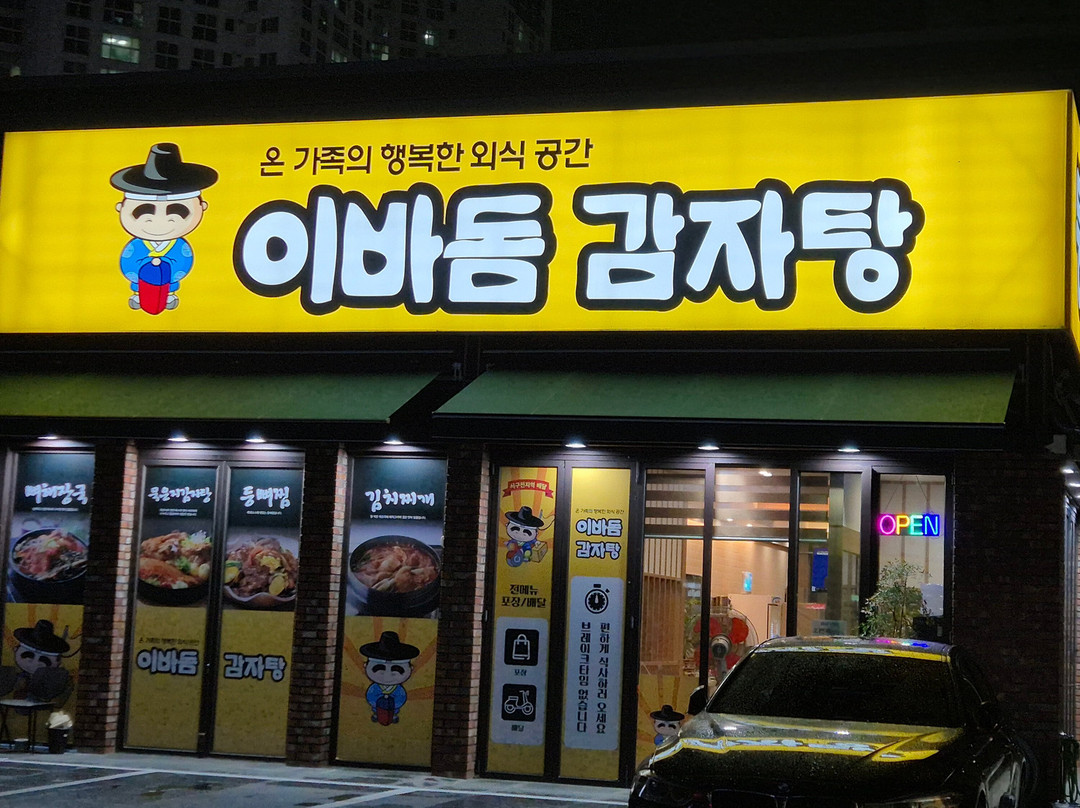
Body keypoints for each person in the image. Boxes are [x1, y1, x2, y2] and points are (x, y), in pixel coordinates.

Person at [110, 143, 218, 314]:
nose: (161, 220)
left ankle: (169, 294)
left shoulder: (180, 247)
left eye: (178, 210)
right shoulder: (136, 246)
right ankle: (138, 294)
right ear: (120, 208)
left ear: (202, 206)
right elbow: (128, 263)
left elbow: (183, 263)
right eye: (143, 210)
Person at [361, 631, 419, 725]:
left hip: (393, 708)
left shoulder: (399, 690)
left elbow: (401, 698)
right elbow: (370, 696)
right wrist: (377, 702)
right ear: (366, 666)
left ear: (410, 668)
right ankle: (376, 714)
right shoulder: (374, 688)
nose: (387, 675)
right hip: (378, 707)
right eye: (380, 668)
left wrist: (394, 704)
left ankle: (394, 715)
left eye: (396, 669)